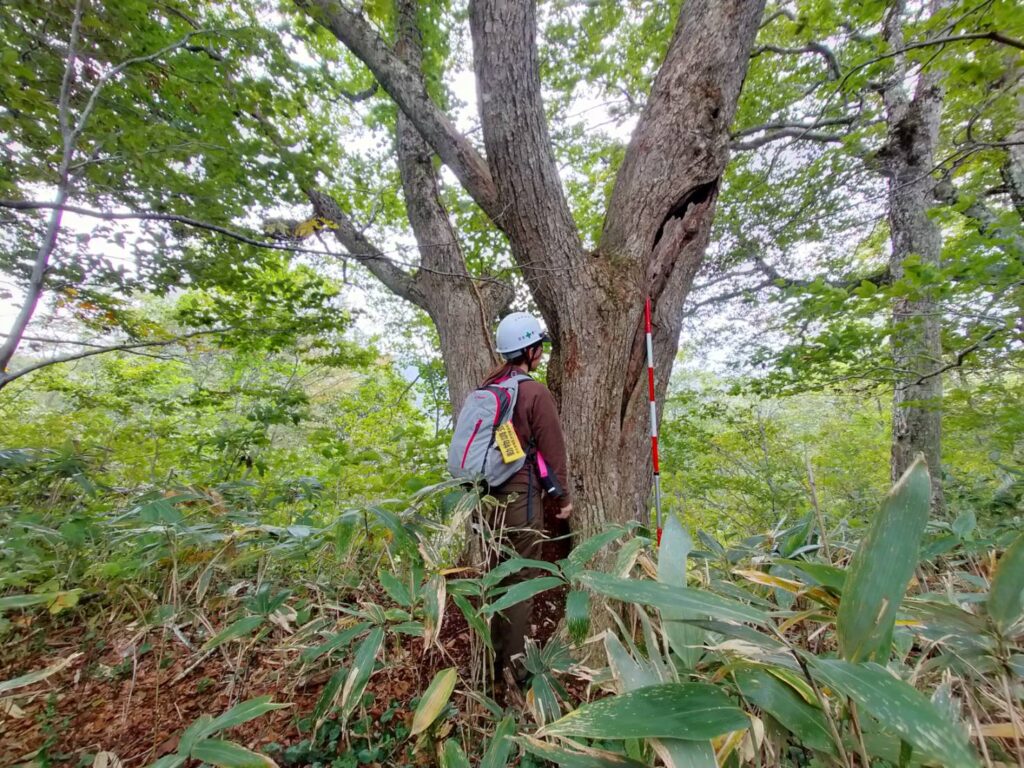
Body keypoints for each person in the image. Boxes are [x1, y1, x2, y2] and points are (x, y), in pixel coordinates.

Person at [483, 311, 572, 686]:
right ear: (531, 351)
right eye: (539, 348)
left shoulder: (490, 389)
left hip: (486, 499)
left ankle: (490, 661)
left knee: (498, 576)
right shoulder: (533, 392)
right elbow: (552, 447)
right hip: (522, 497)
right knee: (521, 581)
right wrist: (563, 496)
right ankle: (513, 672)